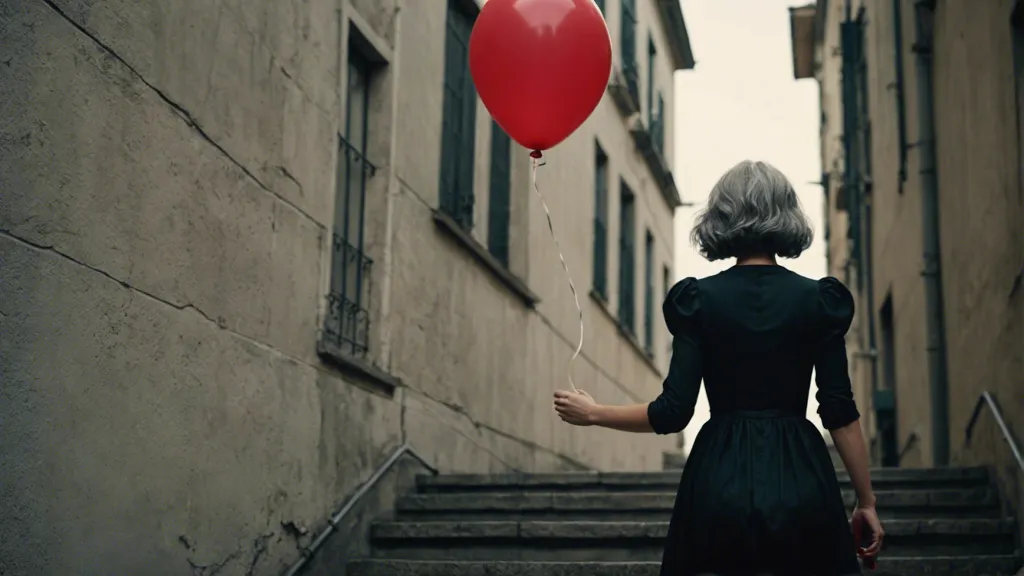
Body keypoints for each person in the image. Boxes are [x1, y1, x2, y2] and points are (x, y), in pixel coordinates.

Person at [554, 160, 883, 575]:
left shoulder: (698, 301)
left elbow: (673, 411)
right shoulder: (819, 301)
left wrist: (594, 413)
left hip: (718, 474)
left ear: (720, 219)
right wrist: (866, 501)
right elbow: (839, 411)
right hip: (800, 474)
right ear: (786, 215)